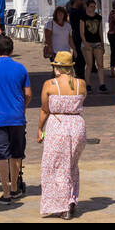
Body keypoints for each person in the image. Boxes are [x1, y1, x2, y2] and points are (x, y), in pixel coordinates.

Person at [0, 35, 32, 203]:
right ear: (11, 50)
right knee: (17, 154)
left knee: (1, 155)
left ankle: (6, 192)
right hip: (17, 117)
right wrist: (22, 107)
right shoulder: (21, 68)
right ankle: (15, 188)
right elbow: (28, 94)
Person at [38, 51, 87, 219]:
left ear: (58, 68)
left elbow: (45, 109)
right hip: (77, 126)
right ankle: (72, 198)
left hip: (58, 126)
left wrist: (40, 128)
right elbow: (82, 99)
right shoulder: (81, 84)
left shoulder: (50, 84)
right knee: (71, 165)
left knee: (54, 166)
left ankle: (62, 205)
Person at [78, 0, 106, 92]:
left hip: (97, 42)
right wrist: (85, 43)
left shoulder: (98, 17)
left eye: (94, 6)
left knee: (100, 64)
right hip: (87, 42)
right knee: (89, 64)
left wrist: (103, 43)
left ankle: (102, 84)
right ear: (87, 7)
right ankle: (88, 84)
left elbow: (100, 31)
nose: (93, 8)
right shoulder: (83, 17)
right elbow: (81, 32)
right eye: (91, 6)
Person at [67, 0, 87, 78]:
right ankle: (79, 71)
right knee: (79, 53)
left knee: (79, 53)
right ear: (76, 1)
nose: (82, 1)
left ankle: (78, 69)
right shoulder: (74, 11)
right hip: (77, 35)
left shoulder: (79, 10)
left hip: (81, 34)